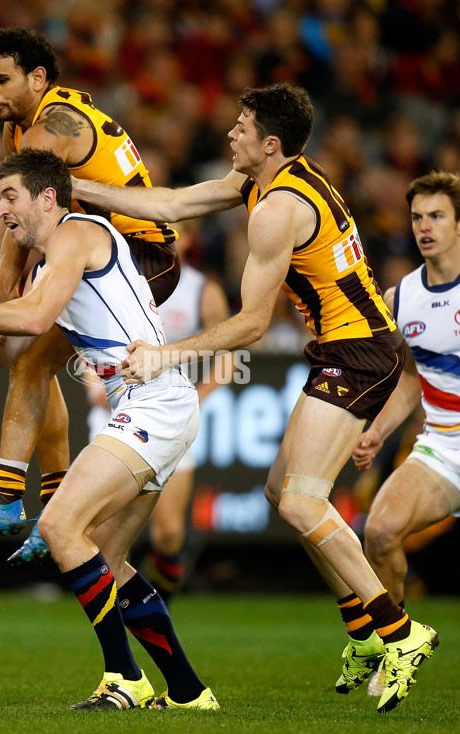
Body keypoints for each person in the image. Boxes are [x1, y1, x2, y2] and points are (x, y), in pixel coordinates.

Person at [70, 83, 439, 714]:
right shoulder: (269, 181)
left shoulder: (277, 209)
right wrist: (78, 189)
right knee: (280, 492)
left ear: (269, 143)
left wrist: (168, 353)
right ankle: (361, 629)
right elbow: (171, 203)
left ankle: (399, 631)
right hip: (345, 350)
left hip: (359, 353)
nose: (230, 134)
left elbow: (250, 325)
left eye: (241, 127)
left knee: (301, 502)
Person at [0, 148, 218, 712]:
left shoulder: (79, 233)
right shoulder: (51, 268)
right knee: (109, 565)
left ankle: (124, 678)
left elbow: (33, 319)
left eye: (10, 196)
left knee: (62, 524)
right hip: (150, 405)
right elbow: (3, 357)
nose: (0, 211)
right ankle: (191, 693)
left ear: (48, 197)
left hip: (155, 403)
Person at [0, 28, 180, 566]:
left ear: (37, 78)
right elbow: (14, 210)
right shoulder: (20, 128)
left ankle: (11, 501)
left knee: (30, 357)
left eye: (2, 78)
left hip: (140, 254)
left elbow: (26, 213)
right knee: (32, 364)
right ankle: (49, 505)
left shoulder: (48, 132)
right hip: (93, 248)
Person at [352, 170, 460, 696]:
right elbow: (414, 380)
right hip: (442, 447)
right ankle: (397, 647)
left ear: (458, 224)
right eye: (417, 216)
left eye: (437, 215)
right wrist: (378, 430)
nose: (425, 226)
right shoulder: (403, 297)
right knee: (379, 531)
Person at [86, 220, 234, 603]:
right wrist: (92, 383)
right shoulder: (115, 277)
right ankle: (121, 610)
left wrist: (195, 397)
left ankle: (159, 604)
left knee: (168, 532)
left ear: (189, 239)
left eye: (177, 231)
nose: (168, 239)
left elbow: (229, 356)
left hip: (167, 411)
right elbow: (81, 336)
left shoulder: (203, 289)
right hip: (116, 410)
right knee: (107, 530)